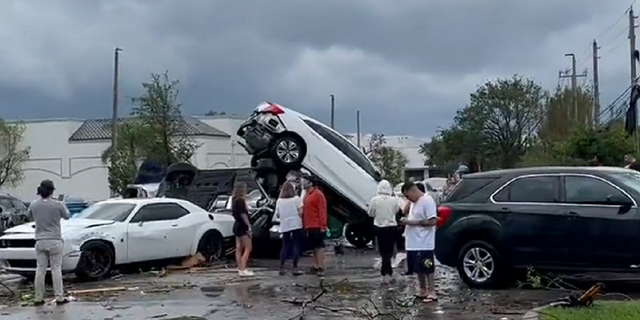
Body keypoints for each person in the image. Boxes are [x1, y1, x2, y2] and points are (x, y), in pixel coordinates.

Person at [26, 180, 70, 306]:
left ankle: (38, 298)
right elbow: (67, 216)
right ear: (52, 191)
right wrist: (62, 204)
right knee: (56, 269)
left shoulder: (34, 204)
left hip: (40, 240)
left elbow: (28, 216)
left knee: (40, 269)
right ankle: (59, 297)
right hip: (55, 240)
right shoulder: (58, 204)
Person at [400, 180, 438, 303]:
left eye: (408, 195)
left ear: (413, 190)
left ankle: (432, 291)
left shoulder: (427, 201)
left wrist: (412, 223)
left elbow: (432, 221)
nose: (407, 198)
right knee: (418, 268)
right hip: (413, 242)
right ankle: (423, 289)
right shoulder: (414, 203)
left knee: (427, 267)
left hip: (424, 242)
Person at [368, 180, 401, 283]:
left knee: (382, 250)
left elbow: (370, 213)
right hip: (392, 227)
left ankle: (385, 272)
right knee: (390, 249)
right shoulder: (394, 200)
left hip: (379, 227)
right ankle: (387, 271)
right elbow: (396, 211)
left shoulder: (374, 200)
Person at [275, 181, 304, 276]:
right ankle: (295, 267)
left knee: (285, 245)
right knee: (296, 244)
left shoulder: (279, 201)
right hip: (296, 223)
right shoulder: (297, 199)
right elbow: (301, 211)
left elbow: (277, 214)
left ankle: (281, 267)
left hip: (285, 225)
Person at [302, 176, 328, 277]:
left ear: (311, 183)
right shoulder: (306, 195)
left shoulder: (318, 194)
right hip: (308, 225)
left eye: (305, 181)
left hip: (317, 225)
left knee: (319, 246)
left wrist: (323, 225)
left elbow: (322, 210)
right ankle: (315, 265)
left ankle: (321, 266)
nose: (303, 183)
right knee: (313, 247)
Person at [232, 182, 254, 276]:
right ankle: (243, 268)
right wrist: (248, 225)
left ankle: (239, 267)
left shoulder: (234, 200)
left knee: (238, 248)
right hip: (242, 226)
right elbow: (243, 214)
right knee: (248, 247)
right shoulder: (241, 201)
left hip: (236, 225)